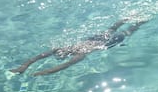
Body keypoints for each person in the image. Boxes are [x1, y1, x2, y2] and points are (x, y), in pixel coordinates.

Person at [10, 19, 147, 76]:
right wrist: (23, 67)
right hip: (97, 40)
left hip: (107, 43)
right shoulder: (61, 48)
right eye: (60, 54)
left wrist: (45, 72)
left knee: (125, 32)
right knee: (111, 29)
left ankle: (138, 22)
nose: (60, 54)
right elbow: (37, 57)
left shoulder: (79, 55)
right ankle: (129, 19)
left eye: (61, 55)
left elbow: (64, 66)